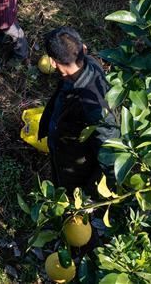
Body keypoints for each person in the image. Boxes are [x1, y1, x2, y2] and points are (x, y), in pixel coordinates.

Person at [38, 27, 119, 192]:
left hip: (75, 166)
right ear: (84, 49)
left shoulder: (93, 106)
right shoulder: (90, 64)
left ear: (52, 63)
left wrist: (92, 193)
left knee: (68, 192)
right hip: (66, 148)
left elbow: (109, 151)